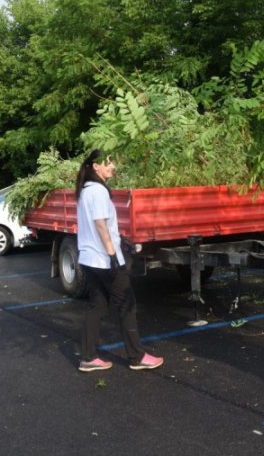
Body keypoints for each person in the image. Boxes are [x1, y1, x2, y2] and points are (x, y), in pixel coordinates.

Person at [75, 149, 164, 373]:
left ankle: (88, 357)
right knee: (127, 305)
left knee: (97, 306)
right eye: (108, 162)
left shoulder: (85, 190)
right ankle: (137, 356)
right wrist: (113, 254)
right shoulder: (98, 191)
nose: (113, 166)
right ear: (95, 166)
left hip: (88, 258)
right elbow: (100, 223)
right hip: (105, 260)